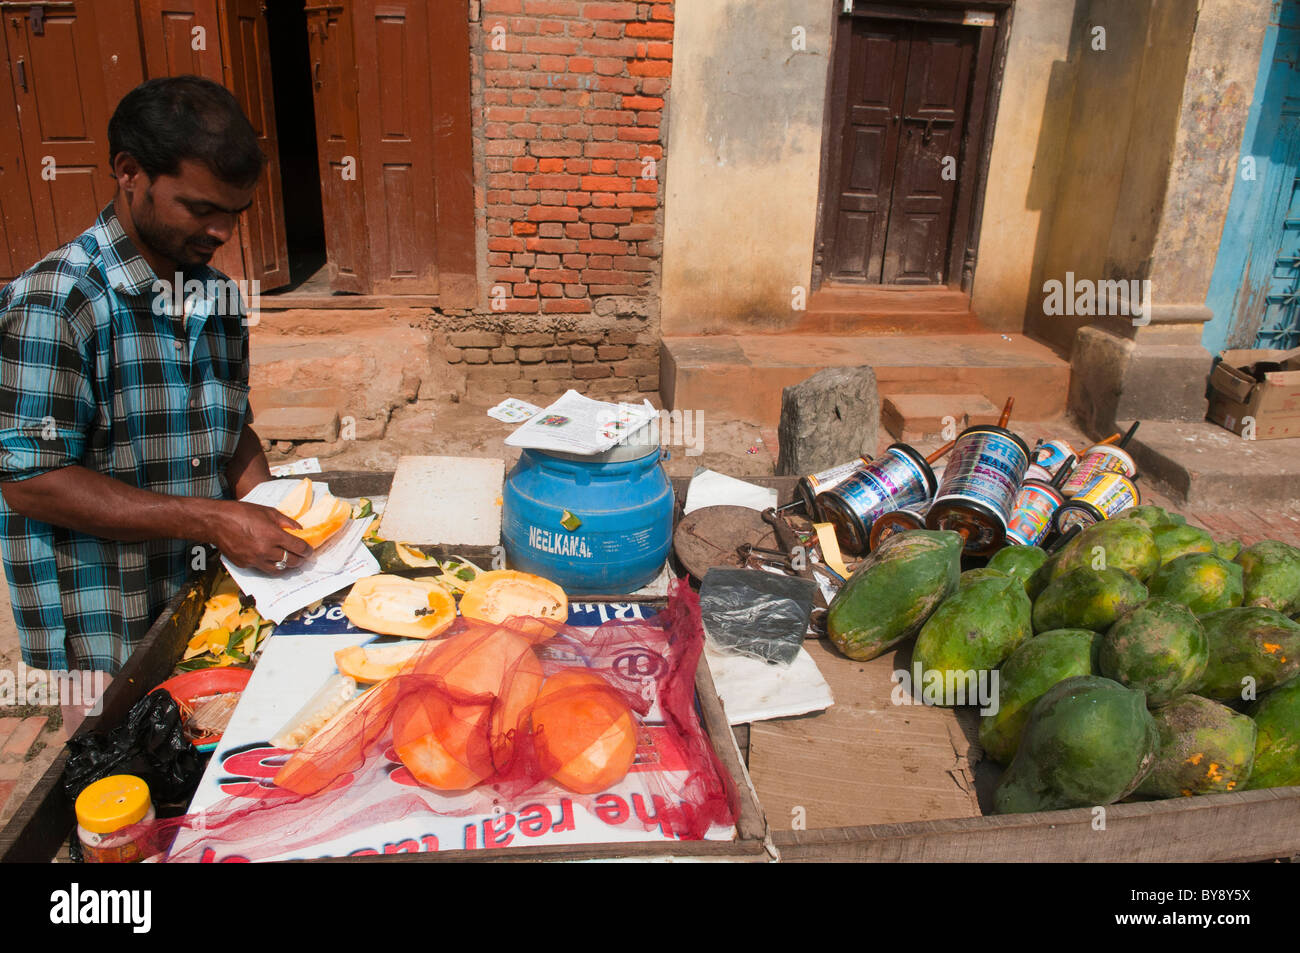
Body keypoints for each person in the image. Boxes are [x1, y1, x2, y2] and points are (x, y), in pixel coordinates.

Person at [0, 76, 310, 676]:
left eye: (235, 213)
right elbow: (30, 481)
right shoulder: (55, 301)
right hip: (101, 621)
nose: (222, 232)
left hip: (203, 599)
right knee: (109, 766)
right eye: (200, 209)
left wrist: (272, 510)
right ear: (129, 173)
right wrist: (212, 518)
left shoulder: (217, 295)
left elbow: (230, 426)